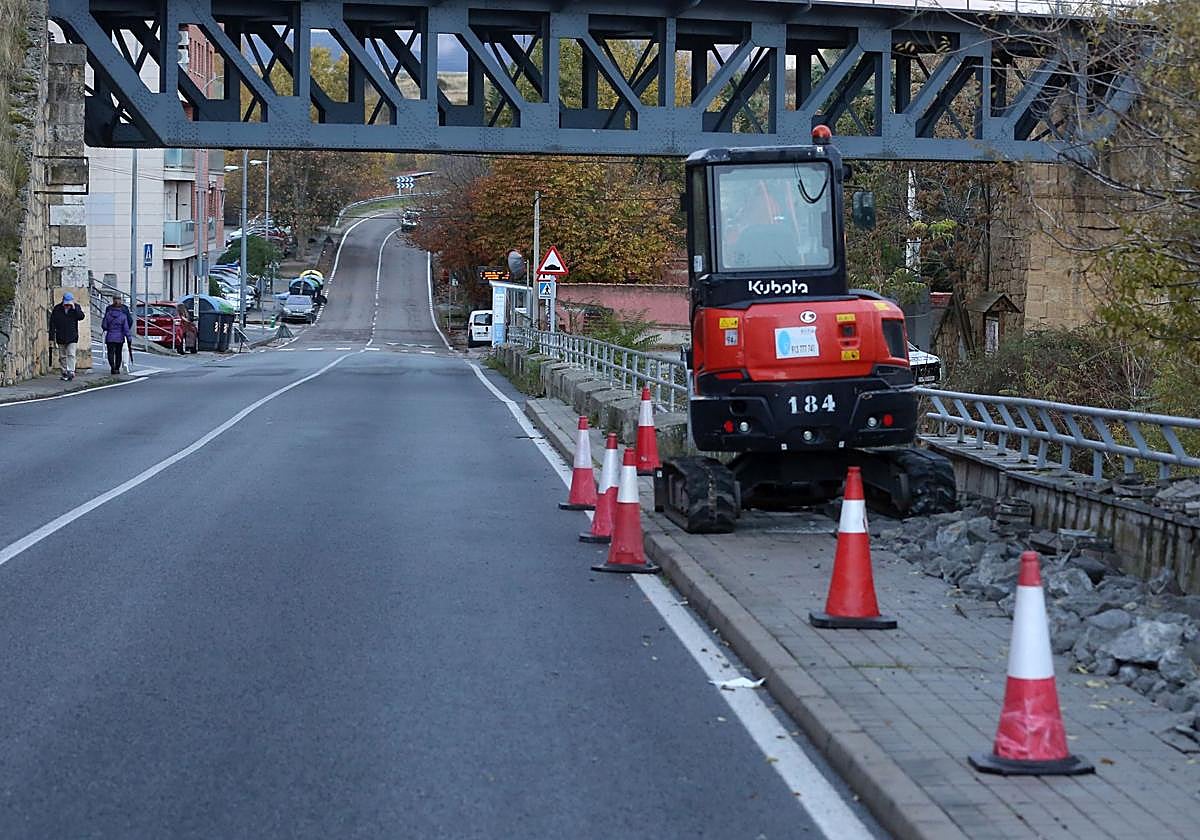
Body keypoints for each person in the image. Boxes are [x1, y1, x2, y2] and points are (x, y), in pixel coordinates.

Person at [48, 291, 85, 381]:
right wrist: (51, 337)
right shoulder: (57, 309)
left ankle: (71, 371)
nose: (67, 306)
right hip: (60, 335)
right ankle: (64, 372)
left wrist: (74, 309)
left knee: (71, 354)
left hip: (72, 336)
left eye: (69, 304)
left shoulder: (76, 307)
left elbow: (81, 317)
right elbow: (52, 323)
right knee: (62, 356)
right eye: (66, 304)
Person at [101, 293, 133, 375]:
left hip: (110, 336)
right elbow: (129, 322)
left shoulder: (108, 310)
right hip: (120, 335)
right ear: (121, 300)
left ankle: (112, 368)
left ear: (113, 299)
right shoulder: (124, 311)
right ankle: (118, 368)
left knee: (110, 352)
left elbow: (104, 325)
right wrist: (128, 336)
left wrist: (108, 328)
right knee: (119, 352)